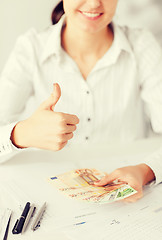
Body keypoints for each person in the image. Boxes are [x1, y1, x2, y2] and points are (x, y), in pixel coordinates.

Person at [0, 0, 162, 203]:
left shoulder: (142, 45)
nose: (94, 3)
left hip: (128, 203)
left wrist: (145, 171)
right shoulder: (31, 48)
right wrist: (21, 134)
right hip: (49, 200)